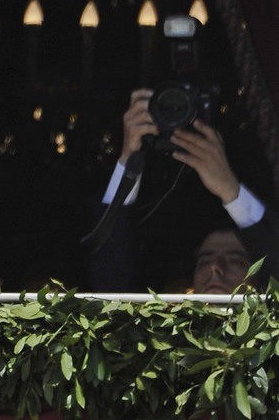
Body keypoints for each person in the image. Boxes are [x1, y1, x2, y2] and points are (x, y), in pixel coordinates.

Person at [87, 88, 279, 292]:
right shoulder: (161, 324)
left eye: (236, 261)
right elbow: (110, 281)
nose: (215, 268)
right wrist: (130, 161)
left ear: (262, 278)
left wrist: (231, 191)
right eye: (204, 261)